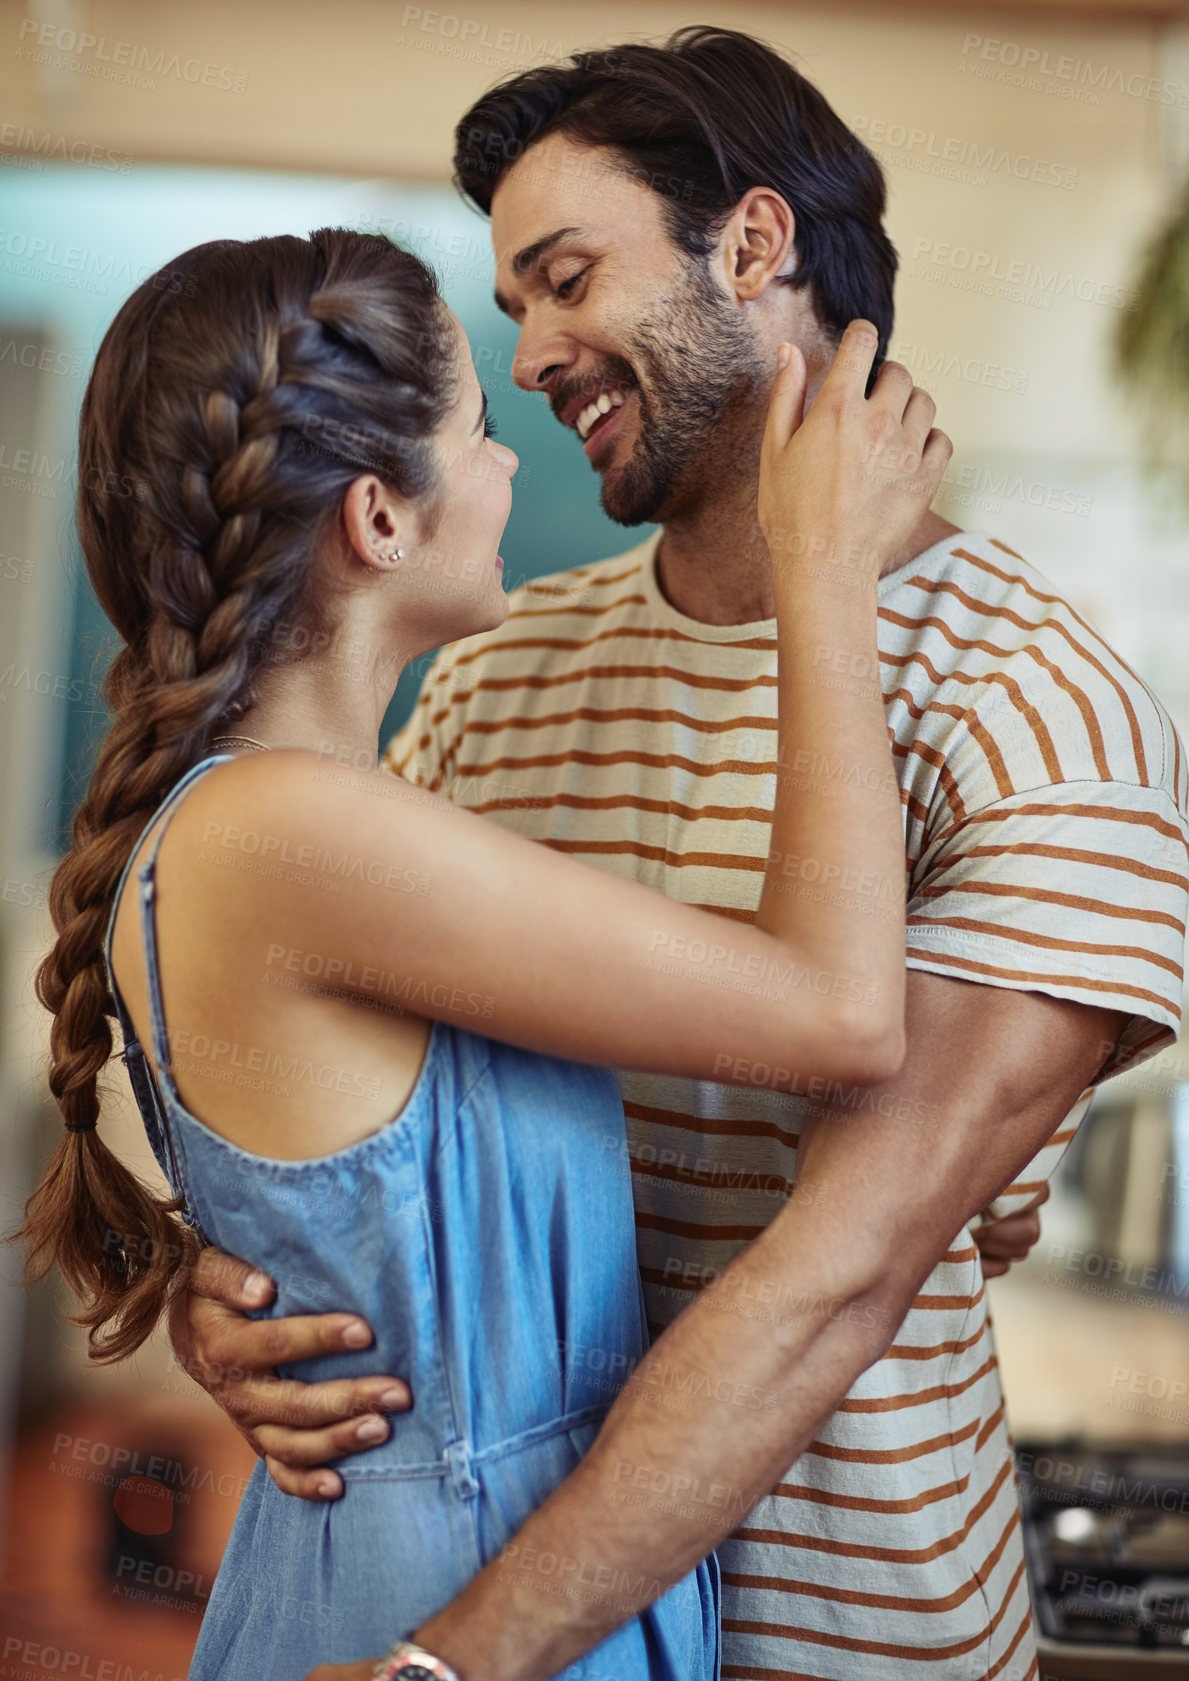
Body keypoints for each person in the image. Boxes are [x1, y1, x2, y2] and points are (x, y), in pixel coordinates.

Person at [177, 28, 1189, 1681]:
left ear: (755, 243)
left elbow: (842, 1271)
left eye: (565, 279)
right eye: (510, 309)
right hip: (479, 1598)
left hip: (818, 1641)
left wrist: (455, 1661)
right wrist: (242, 1288)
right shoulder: (496, 676)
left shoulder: (1041, 699)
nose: (530, 358)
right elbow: (367, 1120)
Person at [17, 222, 955, 1679]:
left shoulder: (321, 822)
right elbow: (837, 1012)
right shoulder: (297, 834)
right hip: (435, 1609)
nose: (516, 465)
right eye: (475, 431)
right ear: (380, 520)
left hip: (473, 1562)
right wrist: (819, 574)